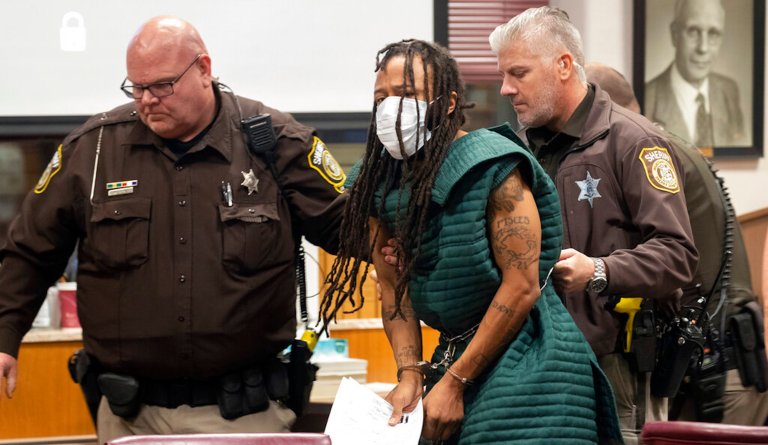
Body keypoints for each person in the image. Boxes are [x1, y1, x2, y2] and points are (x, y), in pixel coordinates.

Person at [0, 16, 347, 442]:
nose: (146, 100)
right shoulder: (93, 151)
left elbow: (346, 228)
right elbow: (30, 252)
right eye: (135, 87)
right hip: (129, 414)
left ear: (204, 68)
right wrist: (6, 335)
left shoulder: (275, 143)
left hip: (242, 413)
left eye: (161, 85)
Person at [320, 39, 622, 444]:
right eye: (382, 97)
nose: (392, 106)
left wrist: (456, 381)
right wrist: (410, 374)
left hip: (531, 363)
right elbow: (393, 287)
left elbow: (521, 286)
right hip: (455, 353)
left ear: (447, 103)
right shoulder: (379, 181)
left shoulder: (493, 165)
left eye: (407, 94)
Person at [489, 7, 698, 444]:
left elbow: (678, 255)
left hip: (615, 364)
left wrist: (599, 271)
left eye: (519, 73)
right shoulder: (518, 147)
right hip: (538, 363)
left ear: (563, 65)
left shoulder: (635, 141)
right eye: (504, 74)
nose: (506, 88)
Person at [586, 62, 768, 426]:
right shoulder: (667, 143)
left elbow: (671, 260)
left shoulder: (648, 148)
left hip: (716, 363)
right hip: (718, 353)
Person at [644, 0, 746, 147]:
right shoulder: (646, 100)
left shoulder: (729, 91)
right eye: (693, 31)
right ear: (674, 35)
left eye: (713, 33)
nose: (703, 48)